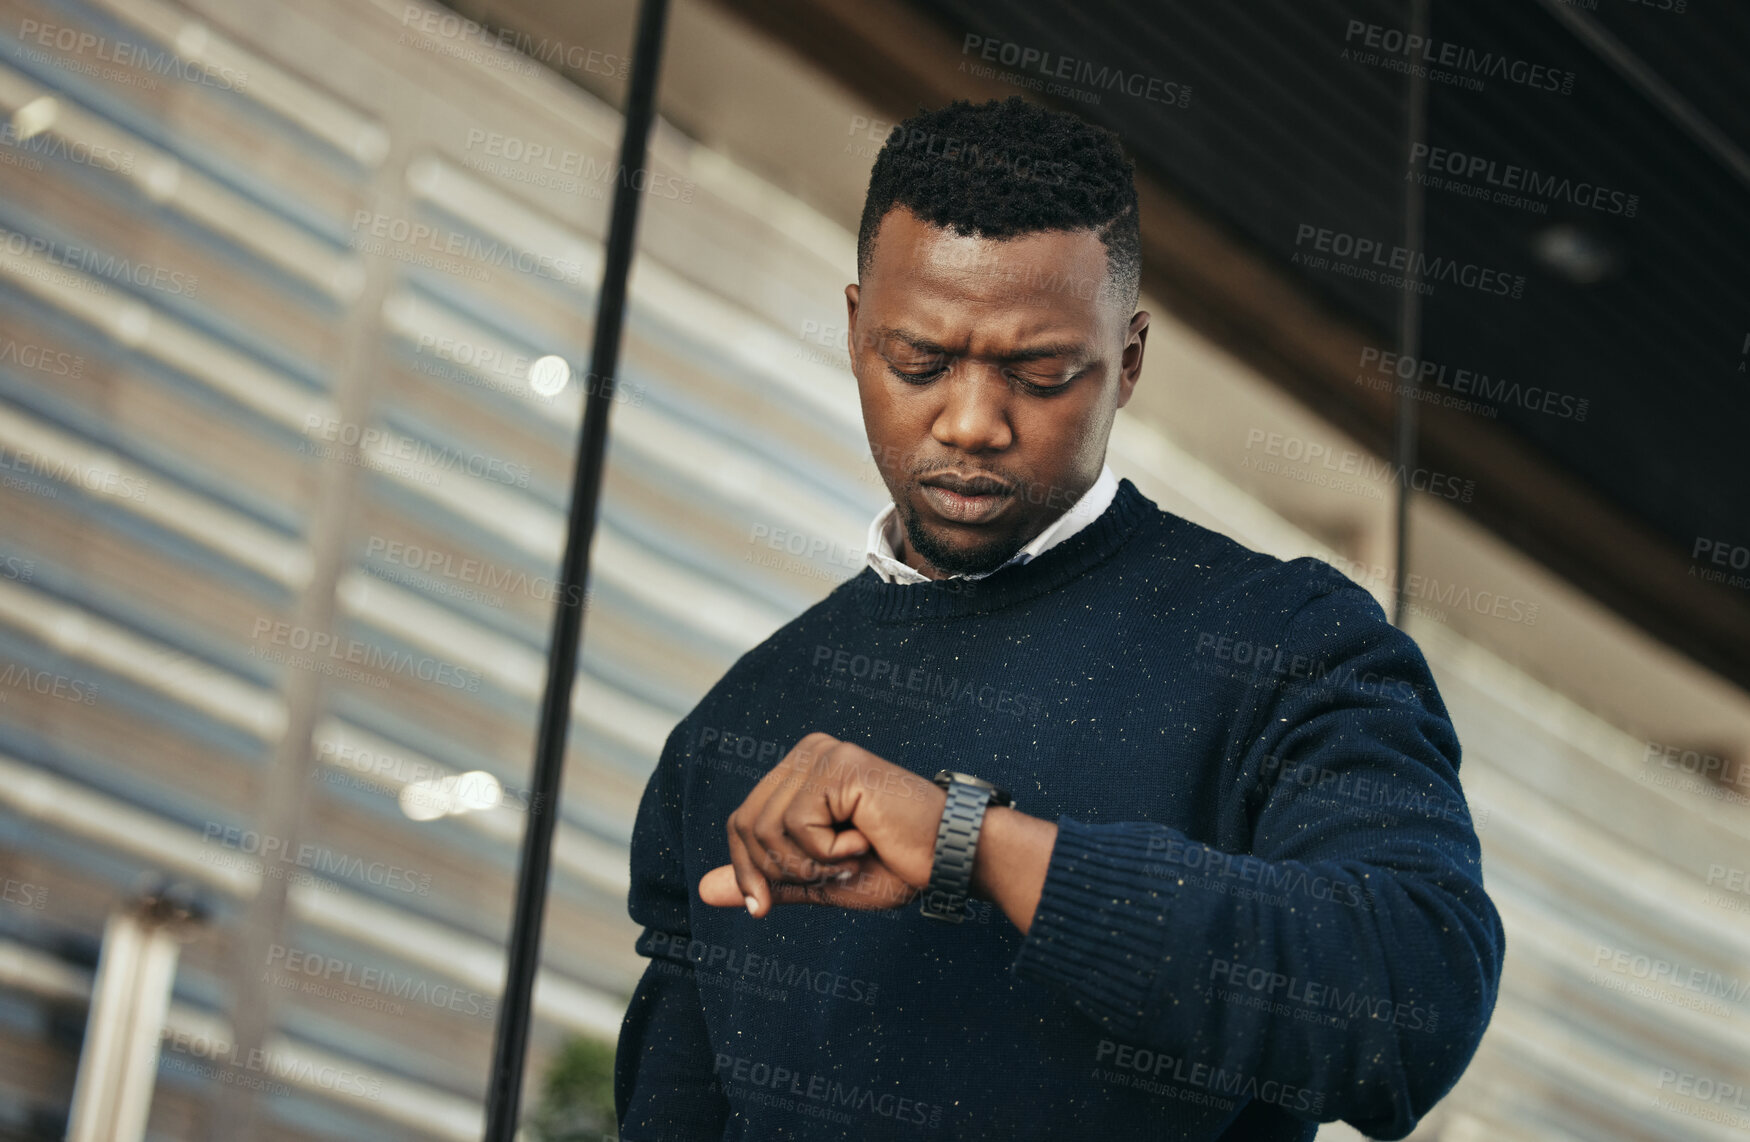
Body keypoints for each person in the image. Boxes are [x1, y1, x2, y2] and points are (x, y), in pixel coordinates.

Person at [615, 96, 1503, 1142]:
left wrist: (972, 843)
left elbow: (1413, 997)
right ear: (854, 329)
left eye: (1040, 374)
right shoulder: (739, 726)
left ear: (1128, 359)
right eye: (919, 362)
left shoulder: (1284, 641)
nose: (971, 423)